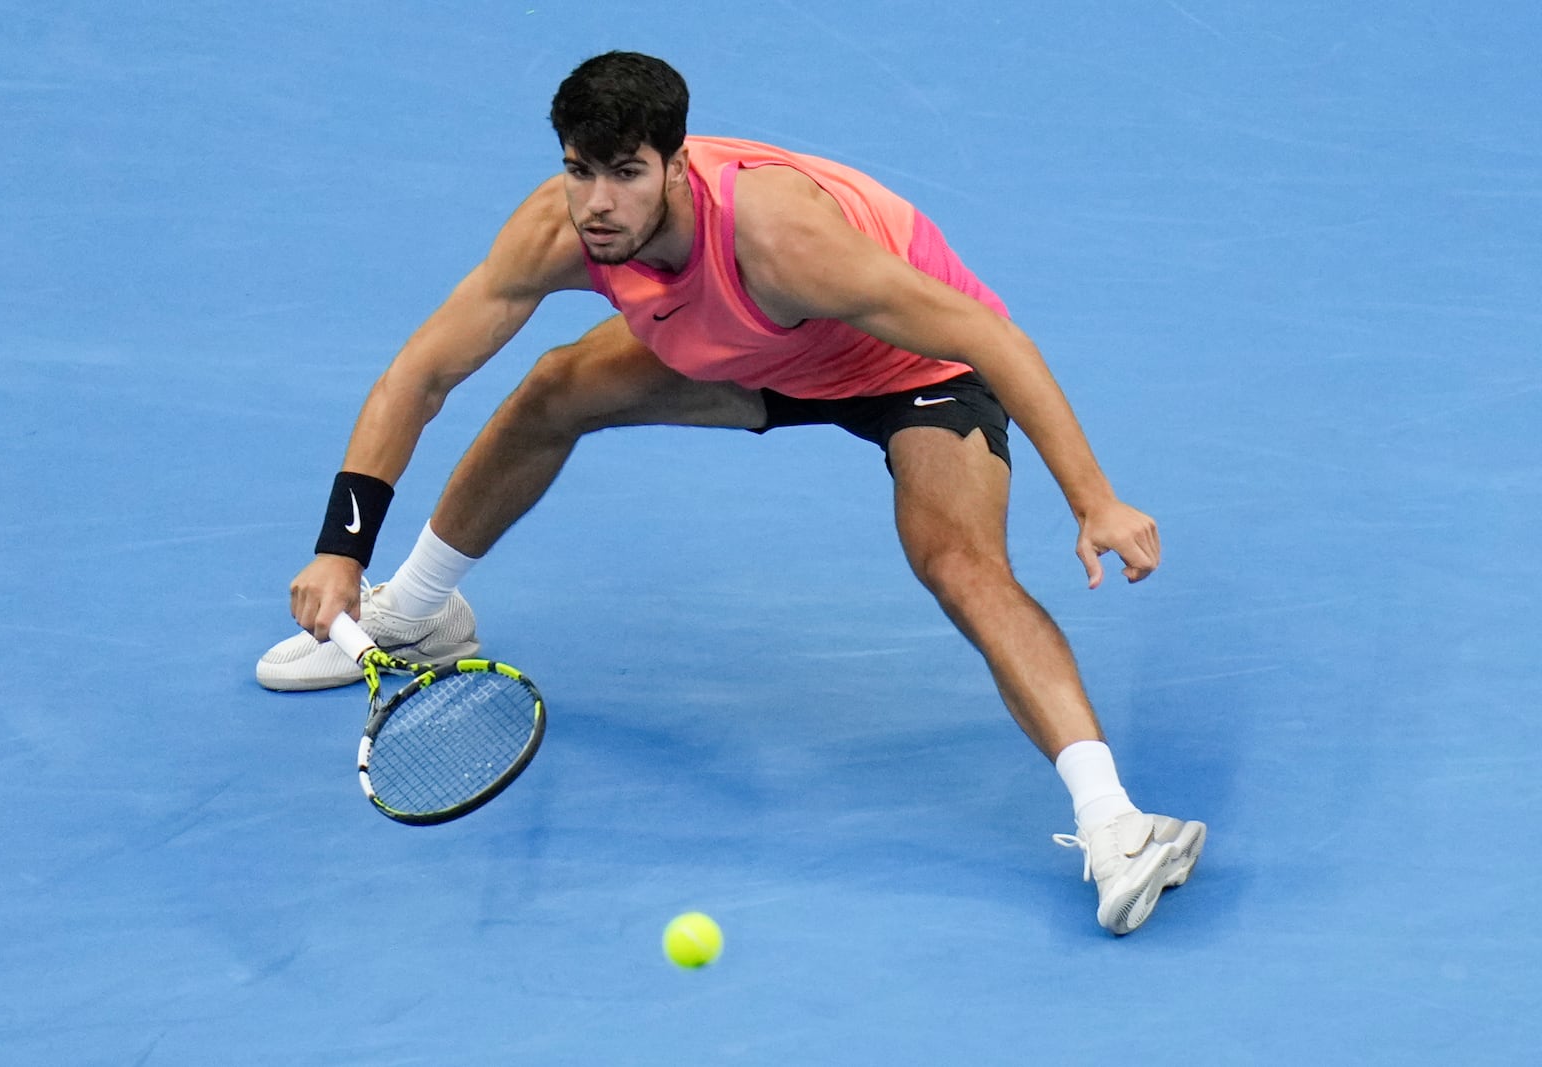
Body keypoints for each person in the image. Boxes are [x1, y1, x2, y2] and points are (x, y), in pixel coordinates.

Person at [257, 51, 1205, 935]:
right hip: (758, 354)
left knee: (956, 561)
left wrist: (1093, 498)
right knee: (553, 389)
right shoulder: (560, 225)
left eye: (625, 171)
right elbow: (421, 374)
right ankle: (418, 614)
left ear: (675, 164)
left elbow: (994, 338)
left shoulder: (783, 239)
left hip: (913, 367)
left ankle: (1118, 823)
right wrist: (343, 545)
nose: (597, 200)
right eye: (580, 168)